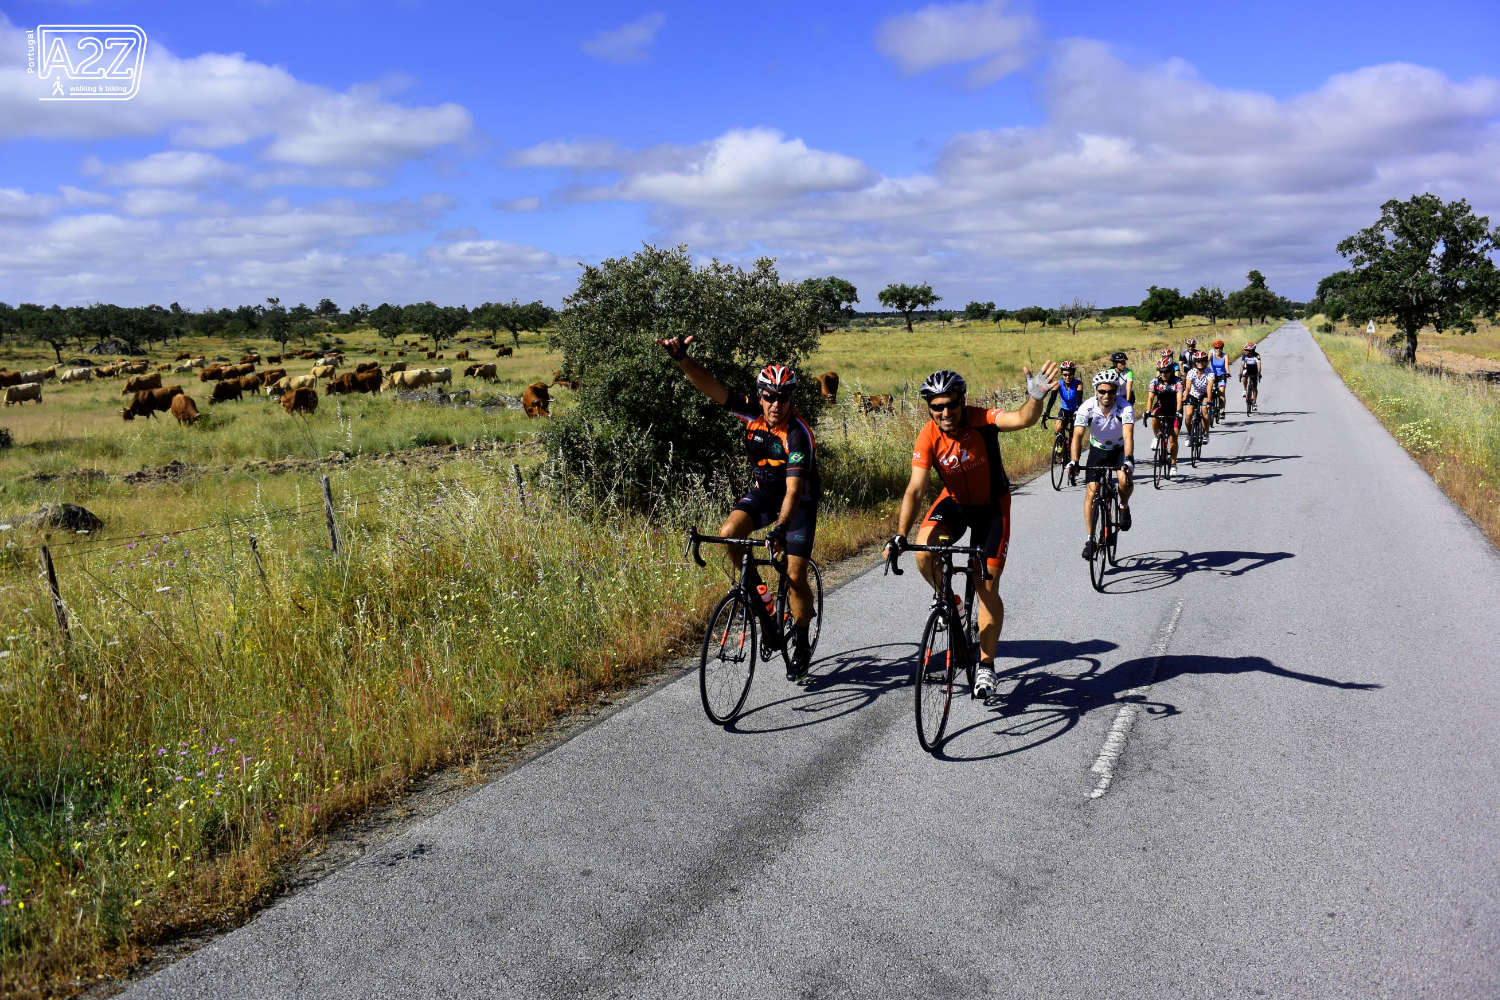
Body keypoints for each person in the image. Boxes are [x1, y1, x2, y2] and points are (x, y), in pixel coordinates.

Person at [887, 362, 1059, 699]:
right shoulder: (928, 435)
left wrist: (1035, 398)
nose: (946, 412)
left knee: (986, 585)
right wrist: (899, 534)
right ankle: (949, 600)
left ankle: (986, 665)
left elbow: (1021, 418)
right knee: (924, 551)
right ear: (930, 408)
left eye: (952, 403)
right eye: (937, 407)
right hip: (954, 502)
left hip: (991, 508)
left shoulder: (982, 419)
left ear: (962, 400)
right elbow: (915, 489)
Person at [656, 334, 820, 679]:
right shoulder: (749, 411)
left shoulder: (797, 435)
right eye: (770, 397)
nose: (776, 404)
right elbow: (711, 387)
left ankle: (802, 638)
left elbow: (792, 492)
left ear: (791, 399)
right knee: (730, 533)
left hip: (798, 500)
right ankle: (759, 599)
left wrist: (779, 529)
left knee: (794, 576)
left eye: (784, 397)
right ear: (760, 396)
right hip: (764, 492)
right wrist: (682, 360)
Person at [1069, 370, 1135, 559]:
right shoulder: (1086, 407)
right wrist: (1074, 461)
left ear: (1116, 391)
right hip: (1097, 450)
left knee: (1123, 479)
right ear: (1096, 391)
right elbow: (1078, 435)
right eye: (1102, 391)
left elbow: (1128, 434)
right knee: (1091, 491)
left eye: (1111, 392)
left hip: (1119, 449)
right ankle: (1090, 539)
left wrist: (1128, 459)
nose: (1106, 395)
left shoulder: (1125, 407)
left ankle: (1123, 505)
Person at [1145, 357, 1181, 468]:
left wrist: (1178, 412)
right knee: (1155, 414)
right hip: (1161, 405)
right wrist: (1147, 411)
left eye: (1166, 371)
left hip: (1174, 408)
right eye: (1161, 371)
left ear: (1171, 370)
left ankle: (1174, 463)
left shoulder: (1177, 381)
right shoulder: (1155, 381)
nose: (1163, 373)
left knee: (1173, 439)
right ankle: (1156, 437)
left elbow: (1179, 398)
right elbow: (1150, 398)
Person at [1041, 360, 1082, 437]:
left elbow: (1079, 399)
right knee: (1058, 429)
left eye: (1070, 374)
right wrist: (1047, 412)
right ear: (1062, 374)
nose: (1067, 377)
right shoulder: (1058, 383)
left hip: (1076, 410)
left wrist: (1077, 411)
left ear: (1073, 374)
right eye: (1065, 375)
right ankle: (1061, 444)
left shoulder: (1078, 384)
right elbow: (1052, 399)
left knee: (1073, 435)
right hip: (1064, 410)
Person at [1182, 350, 1214, 443]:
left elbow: (1209, 387)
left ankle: (1206, 434)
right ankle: (1189, 434)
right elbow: (1187, 387)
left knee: (1204, 411)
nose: (1200, 363)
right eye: (1198, 361)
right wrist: (1184, 398)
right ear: (1195, 362)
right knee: (1188, 415)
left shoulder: (1210, 372)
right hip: (1192, 394)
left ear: (1205, 362)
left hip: (1204, 394)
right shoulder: (1191, 372)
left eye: (1202, 361)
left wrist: (1209, 400)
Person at [1110, 351, 1135, 418]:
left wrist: (1127, 402)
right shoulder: (1109, 372)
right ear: (1115, 363)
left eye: (1124, 362)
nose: (1124, 364)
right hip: (1116, 397)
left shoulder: (1128, 372)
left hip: (1127, 395)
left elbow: (1129, 387)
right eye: (1121, 363)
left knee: (1127, 415)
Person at [1239, 342, 1264, 410]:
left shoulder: (1257, 355)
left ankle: (1254, 402)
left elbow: (1259, 365)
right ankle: (1244, 390)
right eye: (1245, 349)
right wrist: (1240, 373)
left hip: (1254, 370)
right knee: (1244, 376)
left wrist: (1259, 373)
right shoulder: (1244, 355)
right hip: (1247, 369)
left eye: (1246, 350)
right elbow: (1242, 365)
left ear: (1251, 350)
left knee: (1255, 387)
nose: (1245, 351)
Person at [1208, 339, 1230, 415]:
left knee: (1222, 391)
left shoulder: (1225, 355)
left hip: (1222, 375)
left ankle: (1222, 410)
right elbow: (1207, 361)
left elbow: (1226, 365)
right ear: (1214, 348)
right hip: (1212, 375)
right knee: (1209, 389)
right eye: (1216, 348)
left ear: (1222, 348)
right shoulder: (1211, 353)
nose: (1218, 349)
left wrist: (1228, 373)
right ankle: (1209, 404)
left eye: (1220, 348)